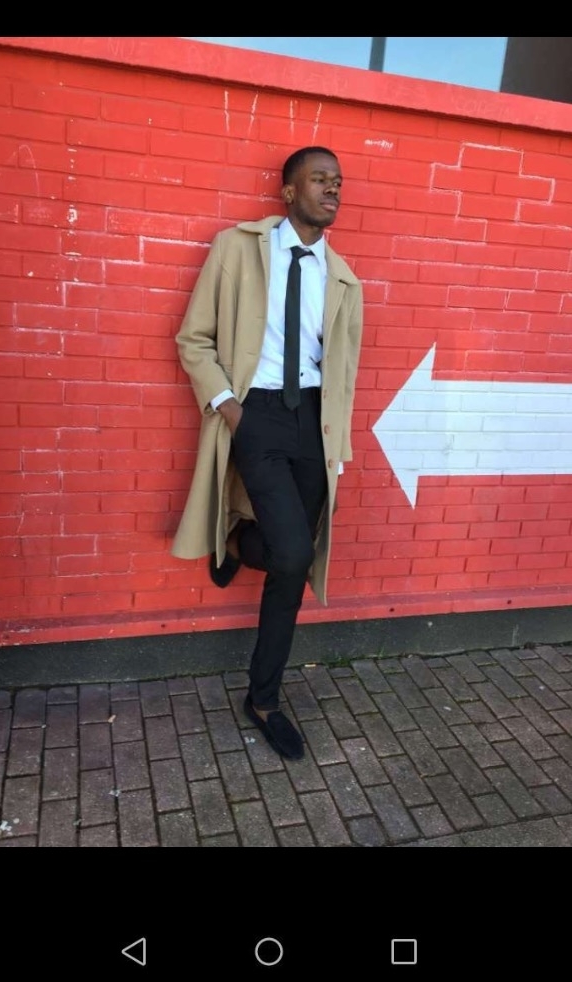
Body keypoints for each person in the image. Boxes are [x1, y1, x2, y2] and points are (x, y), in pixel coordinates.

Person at [172, 146, 363, 760]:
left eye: (337, 182)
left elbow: (344, 373)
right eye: (319, 179)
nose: (332, 190)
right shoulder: (237, 249)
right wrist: (232, 409)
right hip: (255, 413)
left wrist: (337, 444)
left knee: (292, 567)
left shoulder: (344, 280)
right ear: (288, 192)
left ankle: (262, 691)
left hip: (314, 422)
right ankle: (264, 697)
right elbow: (193, 338)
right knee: (294, 552)